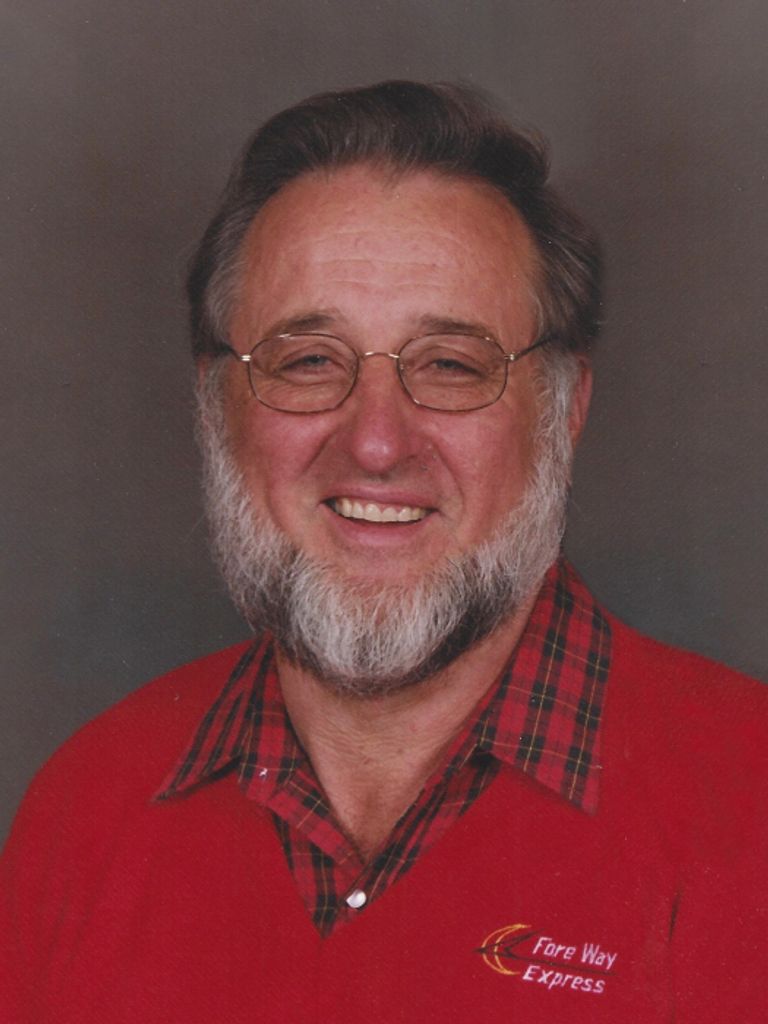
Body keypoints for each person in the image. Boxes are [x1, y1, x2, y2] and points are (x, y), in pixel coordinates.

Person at [1, 80, 765, 1023]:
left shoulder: (751, 805)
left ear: (565, 408)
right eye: (306, 361)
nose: (374, 442)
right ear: (215, 408)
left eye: (451, 365)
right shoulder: (85, 808)